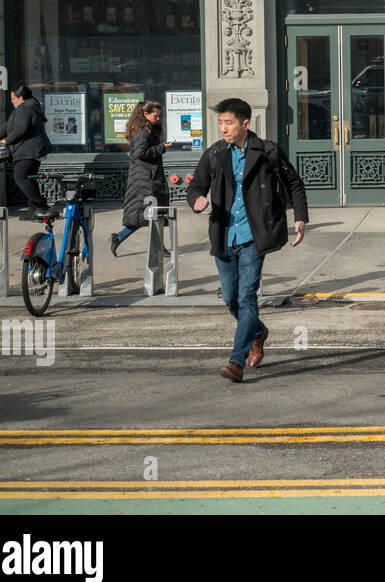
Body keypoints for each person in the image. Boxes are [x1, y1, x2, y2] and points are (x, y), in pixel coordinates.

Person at [186, 98, 309, 383]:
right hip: (223, 235)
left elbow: (293, 182)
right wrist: (197, 200)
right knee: (230, 299)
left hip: (254, 235)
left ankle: (236, 361)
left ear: (245, 123)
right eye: (220, 123)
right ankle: (258, 332)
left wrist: (300, 216)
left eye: (228, 123)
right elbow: (195, 186)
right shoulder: (214, 153)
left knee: (246, 298)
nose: (223, 129)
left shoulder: (267, 151)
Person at [110, 100, 170, 256]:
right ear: (145, 114)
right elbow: (140, 154)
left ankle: (159, 248)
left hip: (148, 177)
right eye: (155, 115)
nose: (158, 118)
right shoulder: (142, 132)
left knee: (153, 215)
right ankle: (119, 237)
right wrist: (161, 148)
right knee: (144, 215)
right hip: (145, 180)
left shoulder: (146, 129)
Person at [0, 85, 52, 216]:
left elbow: (20, 129)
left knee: (20, 176)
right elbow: (7, 126)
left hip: (29, 149)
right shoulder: (24, 107)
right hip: (33, 148)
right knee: (28, 177)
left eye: (13, 98)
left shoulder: (25, 108)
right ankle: (35, 208)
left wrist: (6, 141)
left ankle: (40, 204)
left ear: (21, 97)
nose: (11, 101)